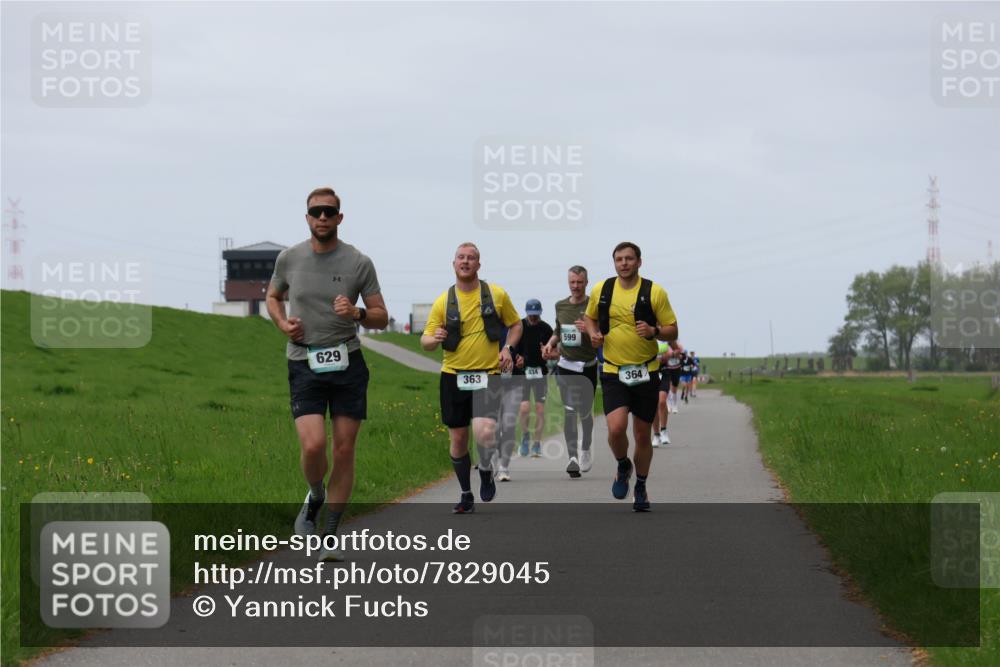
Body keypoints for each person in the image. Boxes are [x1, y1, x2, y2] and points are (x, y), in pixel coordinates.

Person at [267, 187, 388, 562]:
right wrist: (283, 324)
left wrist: (358, 314)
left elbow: (382, 316)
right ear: (307, 218)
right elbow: (272, 297)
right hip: (304, 362)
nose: (322, 217)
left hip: (348, 362)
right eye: (316, 212)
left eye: (329, 212)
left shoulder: (358, 262)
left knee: (344, 449)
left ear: (339, 217)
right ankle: (315, 494)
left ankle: (331, 532)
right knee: (314, 445)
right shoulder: (289, 258)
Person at [421, 242, 522, 513]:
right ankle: (466, 494)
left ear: (479, 264)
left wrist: (508, 349)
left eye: (471, 258)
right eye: (461, 258)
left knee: (485, 431)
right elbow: (426, 341)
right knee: (458, 439)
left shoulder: (496, 295)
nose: (466, 262)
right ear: (454, 263)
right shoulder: (444, 301)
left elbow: (516, 325)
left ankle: (486, 470)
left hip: (488, 375)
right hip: (453, 376)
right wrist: (435, 338)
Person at [584, 242, 678, 512]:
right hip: (613, 370)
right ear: (614, 263)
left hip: (646, 371)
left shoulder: (654, 292)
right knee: (615, 429)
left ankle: (641, 485)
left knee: (643, 435)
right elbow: (590, 318)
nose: (623, 263)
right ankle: (623, 464)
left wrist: (654, 330)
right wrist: (592, 333)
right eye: (619, 259)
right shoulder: (602, 290)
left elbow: (672, 330)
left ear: (639, 262)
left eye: (629, 259)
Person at [541, 266, 599, 478]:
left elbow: (603, 334)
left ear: (586, 282)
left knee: (585, 413)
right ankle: (572, 457)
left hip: (588, 366)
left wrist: (589, 329)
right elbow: (559, 329)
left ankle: (585, 449)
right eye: (572, 282)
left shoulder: (594, 305)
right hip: (565, 365)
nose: (575, 286)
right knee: (569, 410)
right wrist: (550, 344)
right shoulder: (561, 305)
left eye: (579, 282)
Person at [514, 299, 553, 459]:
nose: (533, 318)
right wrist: (517, 357)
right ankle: (525, 437)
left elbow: (555, 350)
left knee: (540, 410)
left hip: (540, 373)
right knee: (524, 408)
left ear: (540, 313)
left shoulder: (546, 329)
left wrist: (548, 353)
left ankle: (536, 443)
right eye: (531, 315)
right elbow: (510, 348)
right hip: (522, 373)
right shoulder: (519, 327)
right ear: (526, 313)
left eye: (536, 316)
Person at [654, 340, 683, 446]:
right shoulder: (646, 333)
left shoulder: (665, 336)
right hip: (651, 372)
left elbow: (678, 350)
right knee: (654, 404)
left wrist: (671, 354)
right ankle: (656, 435)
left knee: (662, 401)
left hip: (664, 371)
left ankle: (664, 431)